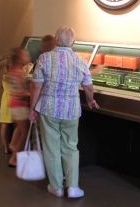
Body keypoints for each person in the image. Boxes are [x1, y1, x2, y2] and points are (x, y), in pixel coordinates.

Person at [29, 26, 99, 198]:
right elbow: (88, 87)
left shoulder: (44, 58)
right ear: (73, 42)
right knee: (71, 147)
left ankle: (56, 187)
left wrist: (32, 108)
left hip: (48, 108)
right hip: (71, 110)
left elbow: (36, 85)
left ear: (55, 39)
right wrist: (91, 101)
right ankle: (73, 187)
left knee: (51, 147)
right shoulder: (81, 60)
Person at [7, 47, 32, 167]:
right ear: (19, 59)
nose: (28, 57)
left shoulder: (15, 71)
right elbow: (19, 92)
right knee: (25, 133)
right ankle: (14, 158)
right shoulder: (18, 73)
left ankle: (14, 150)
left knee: (23, 131)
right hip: (20, 106)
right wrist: (32, 93)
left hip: (15, 105)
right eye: (25, 55)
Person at [0, 54, 14, 154]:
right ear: (9, 65)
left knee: (5, 125)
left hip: (5, 100)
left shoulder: (5, 75)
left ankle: (6, 147)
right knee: (9, 125)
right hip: (10, 101)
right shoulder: (9, 76)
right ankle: (9, 145)